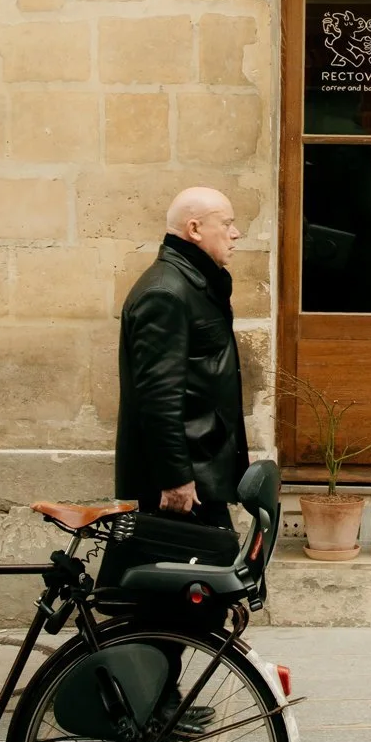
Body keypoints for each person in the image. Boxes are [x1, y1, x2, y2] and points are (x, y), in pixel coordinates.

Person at [114, 185, 249, 561]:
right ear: (194, 229)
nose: (235, 234)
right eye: (227, 224)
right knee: (180, 595)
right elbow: (159, 397)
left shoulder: (193, 284)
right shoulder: (167, 293)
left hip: (202, 470)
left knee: (202, 595)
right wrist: (175, 479)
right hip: (185, 482)